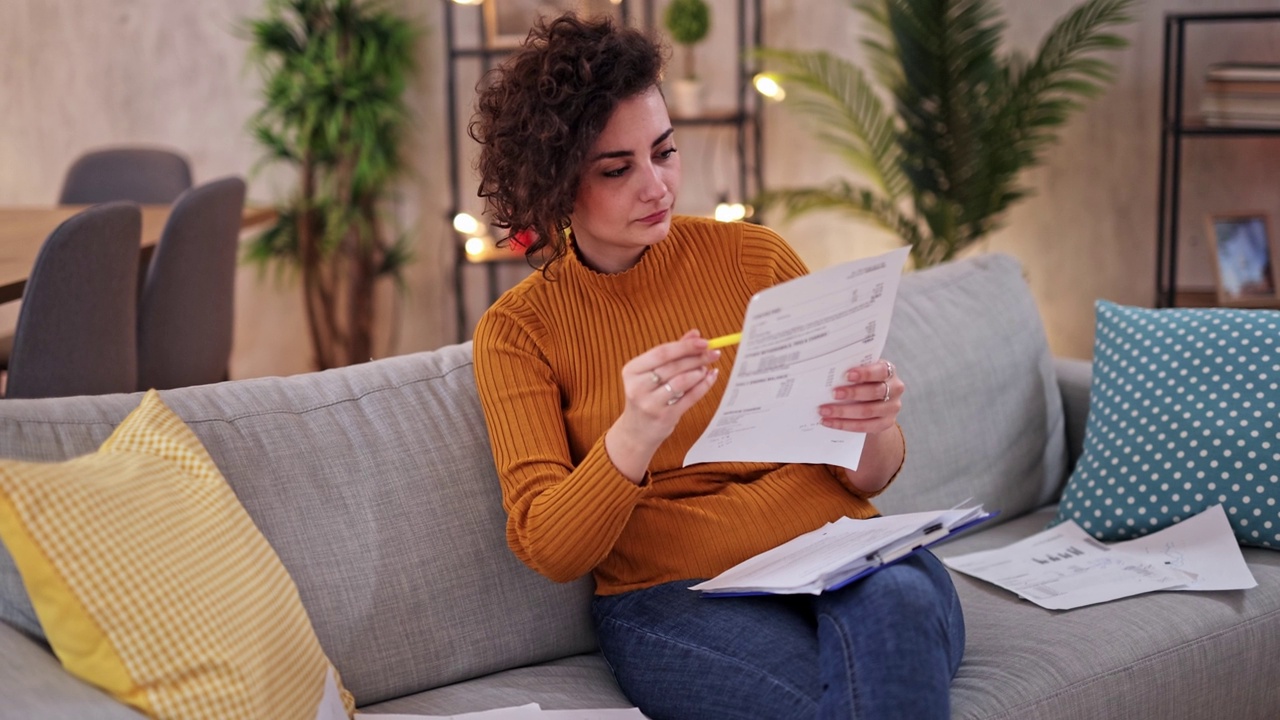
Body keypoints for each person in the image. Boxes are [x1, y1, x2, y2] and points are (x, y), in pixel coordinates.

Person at [469, 13, 964, 719]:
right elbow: (550, 547)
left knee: (905, 602)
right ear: (554, 186)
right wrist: (633, 434)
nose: (657, 186)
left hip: (844, 553)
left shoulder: (752, 257)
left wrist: (874, 424)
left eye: (663, 152)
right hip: (678, 595)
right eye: (617, 168)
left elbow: (869, 475)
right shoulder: (518, 333)